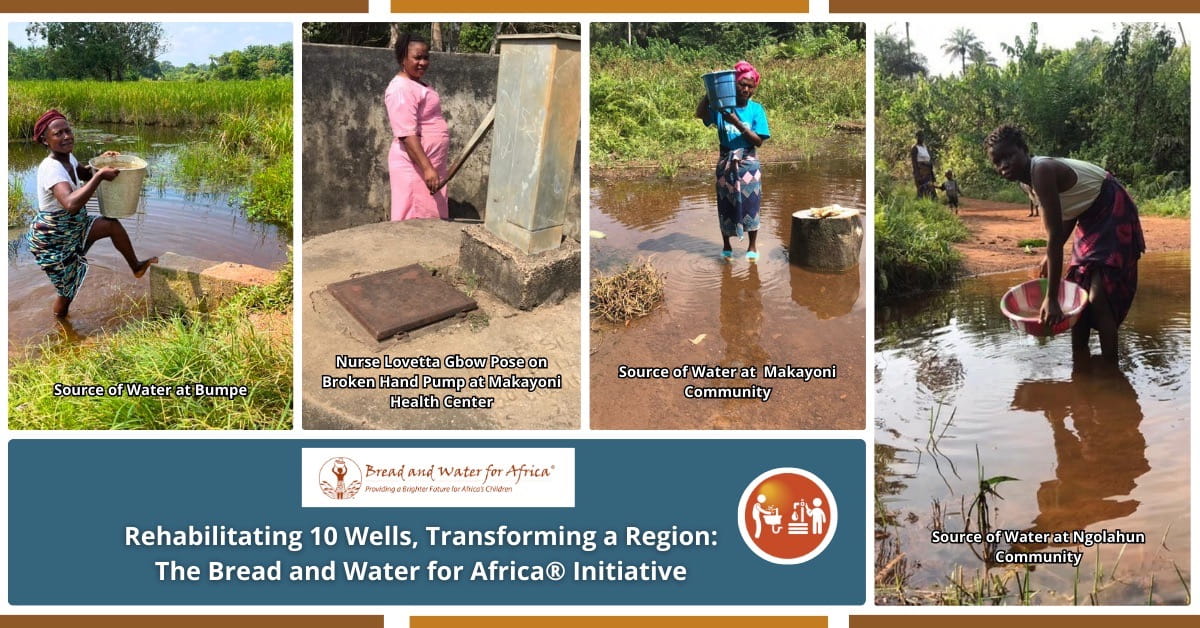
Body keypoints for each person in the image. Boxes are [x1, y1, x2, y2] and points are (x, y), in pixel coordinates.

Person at [985, 124, 1145, 360]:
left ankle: (1111, 371)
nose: (1004, 165)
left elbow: (1053, 234)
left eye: (1009, 156)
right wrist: (1049, 255)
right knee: (1079, 289)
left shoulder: (1041, 170)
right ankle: (1080, 363)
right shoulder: (1026, 183)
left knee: (1099, 297)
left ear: (1024, 150)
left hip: (1111, 206)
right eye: (997, 161)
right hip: (1088, 215)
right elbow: (1069, 211)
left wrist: (1051, 299)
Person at [27, 109, 157, 318]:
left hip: (73, 226)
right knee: (67, 290)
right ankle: (61, 327)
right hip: (54, 237)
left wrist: (100, 164)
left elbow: (85, 173)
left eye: (68, 131)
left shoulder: (67, 157)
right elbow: (70, 203)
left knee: (111, 225)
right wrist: (100, 177)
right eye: (58, 134)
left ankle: (136, 266)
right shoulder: (51, 168)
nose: (66, 136)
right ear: (45, 140)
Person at [695, 60, 770, 260]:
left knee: (751, 205)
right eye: (741, 84)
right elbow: (700, 114)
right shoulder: (722, 109)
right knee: (725, 204)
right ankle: (726, 245)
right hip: (726, 162)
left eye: (750, 86)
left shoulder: (756, 110)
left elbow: (758, 141)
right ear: (733, 84)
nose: (745, 89)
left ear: (754, 88)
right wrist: (711, 91)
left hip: (748, 163)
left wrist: (737, 122)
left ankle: (752, 246)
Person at [385, 33, 450, 221]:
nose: (423, 62)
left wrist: (431, 167)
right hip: (415, 166)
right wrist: (427, 168)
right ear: (402, 58)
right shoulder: (400, 88)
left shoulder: (417, 84)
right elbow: (406, 135)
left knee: (430, 218)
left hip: (428, 164)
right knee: (414, 219)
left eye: (426, 57)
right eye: (417, 57)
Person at [910, 131, 936, 200]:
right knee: (922, 190)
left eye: (922, 136)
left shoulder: (925, 147)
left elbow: (929, 160)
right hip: (921, 172)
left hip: (928, 171)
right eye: (919, 136)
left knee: (930, 190)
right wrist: (917, 175)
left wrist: (932, 174)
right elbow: (914, 163)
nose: (921, 138)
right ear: (916, 137)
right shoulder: (915, 148)